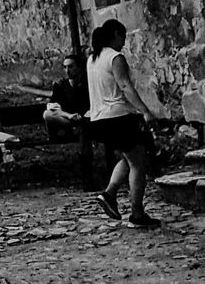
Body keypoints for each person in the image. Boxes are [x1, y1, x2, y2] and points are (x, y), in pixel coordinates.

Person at [88, 19, 167, 228]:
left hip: (99, 119)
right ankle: (137, 213)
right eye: (122, 37)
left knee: (130, 156)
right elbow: (125, 86)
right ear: (115, 34)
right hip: (118, 116)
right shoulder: (115, 57)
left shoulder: (92, 58)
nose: (123, 42)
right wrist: (145, 111)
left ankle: (110, 194)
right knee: (138, 164)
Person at [43, 53, 88, 140]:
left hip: (84, 120)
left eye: (70, 67)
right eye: (65, 67)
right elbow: (52, 108)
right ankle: (69, 132)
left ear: (79, 67)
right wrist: (68, 116)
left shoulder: (86, 85)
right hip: (67, 120)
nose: (67, 70)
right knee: (47, 114)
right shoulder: (60, 86)